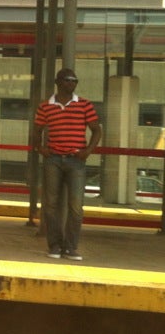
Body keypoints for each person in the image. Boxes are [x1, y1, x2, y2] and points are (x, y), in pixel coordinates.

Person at [33, 68, 102, 261]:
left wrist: (87, 151)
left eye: (75, 81)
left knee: (76, 206)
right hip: (53, 159)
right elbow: (37, 130)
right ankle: (55, 246)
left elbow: (97, 130)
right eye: (68, 80)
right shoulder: (46, 106)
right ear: (58, 82)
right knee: (51, 205)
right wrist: (40, 148)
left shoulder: (85, 105)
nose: (72, 83)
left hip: (76, 160)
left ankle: (71, 248)